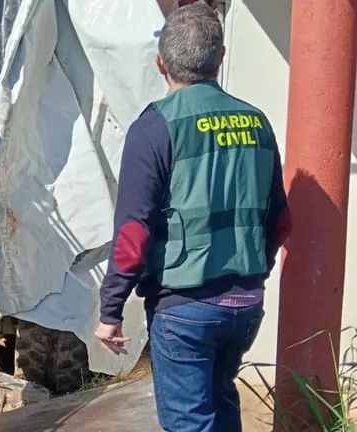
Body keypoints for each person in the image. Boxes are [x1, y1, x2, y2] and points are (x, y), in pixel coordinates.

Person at [94, 3, 291, 431]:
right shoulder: (257, 122)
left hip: (184, 310)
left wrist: (110, 311)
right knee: (222, 405)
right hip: (245, 306)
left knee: (191, 423)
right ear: (219, 58)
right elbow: (279, 222)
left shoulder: (154, 128)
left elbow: (132, 234)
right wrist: (253, 271)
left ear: (160, 63)